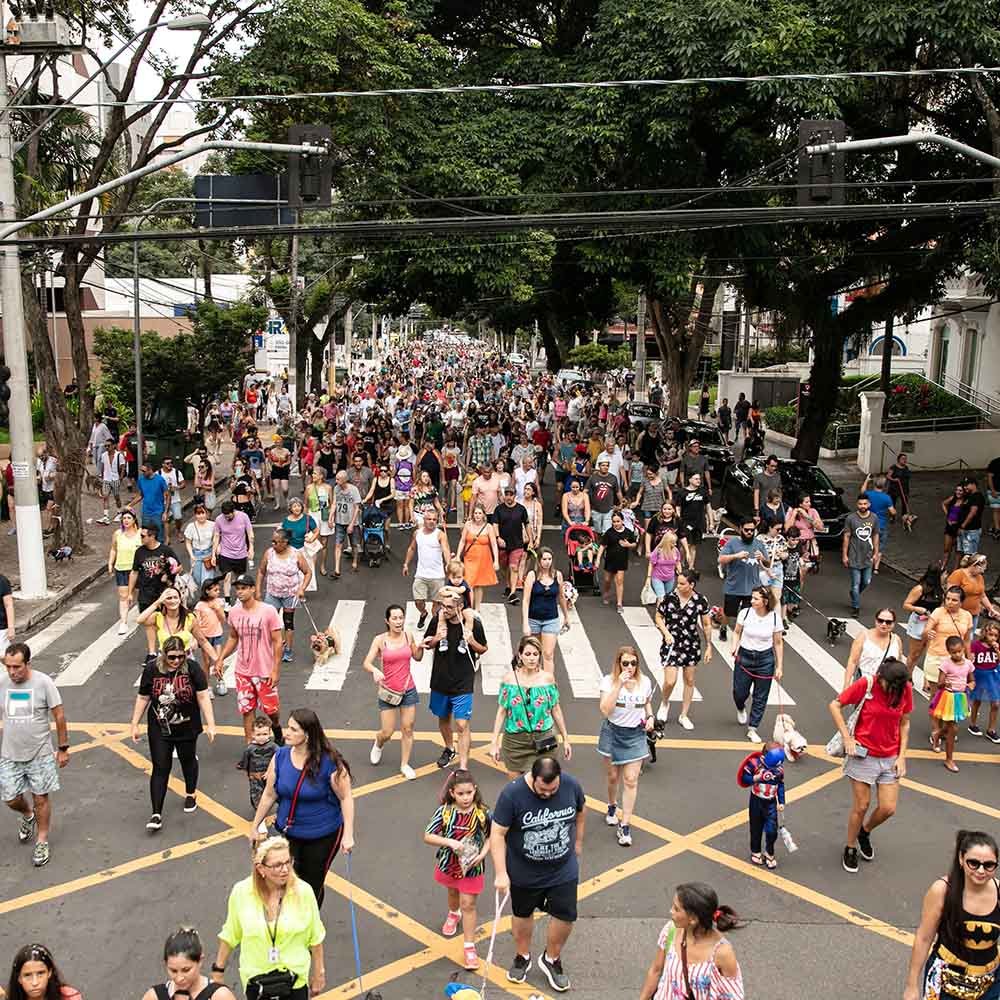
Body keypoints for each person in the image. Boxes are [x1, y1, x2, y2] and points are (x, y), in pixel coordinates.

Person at [491, 756, 586, 992]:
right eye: (543, 790)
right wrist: (501, 873)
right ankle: (522, 956)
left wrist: (578, 842)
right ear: (533, 778)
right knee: (522, 913)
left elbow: (580, 811)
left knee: (566, 915)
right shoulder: (512, 794)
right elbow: (497, 834)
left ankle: (551, 959)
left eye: (553, 789)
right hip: (525, 871)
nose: (548, 795)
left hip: (562, 869)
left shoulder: (571, 785)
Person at [248, 709, 354, 908]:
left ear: (307, 735)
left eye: (293, 729)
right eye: (287, 727)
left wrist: (348, 835)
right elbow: (270, 794)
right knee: (285, 880)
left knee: (311, 886)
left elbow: (346, 797)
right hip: (289, 833)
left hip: (323, 835)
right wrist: (255, 826)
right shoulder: (280, 756)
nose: (286, 732)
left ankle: (308, 927)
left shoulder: (330, 763)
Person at [213, 835, 327, 999]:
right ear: (261, 869)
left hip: (295, 980)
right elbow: (231, 933)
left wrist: (319, 973)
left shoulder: (304, 892)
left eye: (288, 862)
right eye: (277, 865)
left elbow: (316, 936)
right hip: (256, 980)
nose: (285, 870)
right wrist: (218, 972)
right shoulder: (241, 892)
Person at [829, 656, 912, 874]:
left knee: (888, 808)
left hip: (889, 756)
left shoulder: (904, 689)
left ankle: (864, 831)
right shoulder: (868, 683)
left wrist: (902, 755)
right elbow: (835, 705)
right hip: (863, 754)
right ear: (882, 678)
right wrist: (847, 737)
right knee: (862, 805)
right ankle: (850, 847)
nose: (893, 691)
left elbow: (905, 722)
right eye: (890, 686)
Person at [130, 635, 216, 833]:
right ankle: (156, 813)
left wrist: (211, 724)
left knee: (187, 760)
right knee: (161, 766)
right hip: (160, 726)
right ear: (163, 655)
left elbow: (202, 696)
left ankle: (190, 793)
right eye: (172, 657)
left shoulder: (192, 669)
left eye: (181, 656)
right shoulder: (152, 669)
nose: (177, 661)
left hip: (187, 724)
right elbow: (143, 697)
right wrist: (134, 723)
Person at [903, 830, 1000, 1000]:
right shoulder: (942, 890)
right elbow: (924, 938)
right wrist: (912, 986)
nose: (981, 870)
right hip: (945, 982)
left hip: (990, 983)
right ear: (961, 860)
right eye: (973, 863)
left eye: (989, 865)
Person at [0, 643, 69, 869]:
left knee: (41, 797)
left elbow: (59, 715)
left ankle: (41, 840)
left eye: (17, 667)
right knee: (11, 798)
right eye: (8, 667)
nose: (12, 672)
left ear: (28, 663)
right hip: (10, 753)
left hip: (39, 752)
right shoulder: (3, 684)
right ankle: (28, 815)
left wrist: (62, 748)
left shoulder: (43, 683)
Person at [423, 769, 493, 972]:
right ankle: (453, 914)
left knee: (468, 904)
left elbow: (492, 835)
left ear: (475, 790)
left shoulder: (482, 812)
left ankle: (469, 946)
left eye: (469, 793)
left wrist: (482, 855)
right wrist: (450, 842)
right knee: (453, 893)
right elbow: (428, 835)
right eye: (461, 794)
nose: (465, 797)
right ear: (452, 792)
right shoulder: (444, 812)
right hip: (450, 864)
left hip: (472, 866)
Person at [637, 883, 743, 1000]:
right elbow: (656, 970)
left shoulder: (722, 953)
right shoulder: (671, 930)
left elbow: (732, 996)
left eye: (676, 909)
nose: (671, 911)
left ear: (693, 919)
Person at [490, 635, 571, 779]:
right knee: (515, 788)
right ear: (520, 655)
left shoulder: (547, 679)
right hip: (515, 741)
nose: (532, 658)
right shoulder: (509, 679)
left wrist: (565, 739)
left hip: (544, 739)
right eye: (527, 654)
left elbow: (556, 709)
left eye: (535, 654)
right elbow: (502, 711)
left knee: (541, 784)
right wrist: (494, 743)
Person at [425, 588, 488, 770]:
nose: (445, 610)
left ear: (460, 607)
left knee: (461, 724)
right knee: (444, 718)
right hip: (440, 680)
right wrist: (437, 638)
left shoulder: (473, 624)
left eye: (450, 607)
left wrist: (471, 642)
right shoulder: (437, 620)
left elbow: (483, 648)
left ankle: (463, 767)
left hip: (463, 682)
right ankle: (449, 748)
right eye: (444, 606)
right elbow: (427, 644)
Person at [218, 574, 284, 745]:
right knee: (247, 709)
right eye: (237, 589)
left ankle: (276, 728)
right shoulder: (233, 612)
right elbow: (233, 637)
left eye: (244, 588)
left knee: (271, 710)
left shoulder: (268, 611)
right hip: (243, 670)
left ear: (253, 589)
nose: (239, 592)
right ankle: (251, 747)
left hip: (264, 670)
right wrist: (221, 659)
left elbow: (278, 641)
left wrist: (275, 669)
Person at [598, 645, 653, 847]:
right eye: (625, 663)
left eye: (633, 663)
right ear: (618, 664)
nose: (629, 667)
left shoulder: (645, 682)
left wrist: (650, 717)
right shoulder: (608, 681)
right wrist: (619, 685)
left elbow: (647, 702)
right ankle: (612, 804)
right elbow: (605, 709)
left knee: (631, 780)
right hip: (613, 732)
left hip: (635, 735)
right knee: (613, 777)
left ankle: (625, 824)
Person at [362, 603, 424, 779]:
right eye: (394, 618)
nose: (398, 621)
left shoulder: (408, 635)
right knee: (387, 732)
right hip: (388, 690)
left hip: (408, 689)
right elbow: (366, 662)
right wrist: (375, 670)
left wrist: (420, 648)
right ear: (387, 621)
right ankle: (379, 743)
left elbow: (417, 657)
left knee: (408, 728)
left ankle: (404, 764)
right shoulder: (380, 640)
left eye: (401, 617)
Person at [655, 569, 714, 731]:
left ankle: (684, 715)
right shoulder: (669, 598)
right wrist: (665, 633)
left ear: (691, 585)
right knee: (670, 680)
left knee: (689, 680)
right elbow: (658, 617)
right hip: (671, 643)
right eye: (678, 582)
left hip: (691, 644)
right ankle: (664, 703)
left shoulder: (700, 600)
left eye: (682, 583)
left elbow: (707, 624)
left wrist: (709, 645)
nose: (678, 586)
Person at [731, 586, 784, 744]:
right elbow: (736, 632)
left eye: (755, 599)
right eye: (752, 598)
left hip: (765, 659)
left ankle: (753, 728)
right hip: (745, 655)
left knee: (760, 697)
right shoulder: (745, 613)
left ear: (765, 601)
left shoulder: (774, 618)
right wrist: (734, 646)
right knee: (739, 692)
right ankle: (740, 707)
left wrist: (779, 666)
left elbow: (778, 643)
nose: (751, 601)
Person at [255, 528, 311, 664]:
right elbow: (261, 572)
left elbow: (307, 572)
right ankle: (274, 645)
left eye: (276, 542)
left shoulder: (296, 555)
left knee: (288, 622)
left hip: (290, 594)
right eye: (272, 541)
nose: (273, 544)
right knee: (269, 622)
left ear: (285, 542)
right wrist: (257, 590)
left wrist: (301, 589)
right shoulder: (269, 553)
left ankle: (288, 650)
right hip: (272, 593)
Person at [136, 586, 221, 669]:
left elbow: (203, 641)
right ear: (163, 601)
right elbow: (140, 620)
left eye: (175, 597)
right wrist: (157, 602)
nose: (172, 601)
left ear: (180, 600)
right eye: (169, 598)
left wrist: (217, 660)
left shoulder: (189, 618)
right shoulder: (158, 617)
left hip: (186, 662)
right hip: (164, 662)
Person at [141, 927, 235, 1000]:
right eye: (173, 971)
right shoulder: (154, 996)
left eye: (186, 970)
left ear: (200, 960)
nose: (179, 978)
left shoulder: (220, 996)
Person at [129, 525, 181, 654]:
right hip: (146, 593)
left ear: (152, 536)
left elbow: (179, 567)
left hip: (164, 593)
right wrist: (130, 593)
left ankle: (167, 650)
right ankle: (152, 653)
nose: (140, 538)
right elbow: (134, 572)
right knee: (148, 623)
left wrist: (168, 574)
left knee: (166, 623)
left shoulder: (166, 550)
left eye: (143, 536)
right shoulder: (139, 552)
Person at [717, 519, 771, 642]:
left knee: (748, 613)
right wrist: (736, 556)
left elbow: (768, 562)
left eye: (752, 530)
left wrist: (762, 558)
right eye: (747, 530)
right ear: (741, 528)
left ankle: (742, 633)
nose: (749, 532)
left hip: (752, 587)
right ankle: (723, 627)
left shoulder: (759, 544)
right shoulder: (732, 543)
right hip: (734, 585)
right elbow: (721, 559)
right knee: (728, 612)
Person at [520, 548, 572, 675]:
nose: (547, 562)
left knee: (548, 654)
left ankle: (548, 685)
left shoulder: (557, 575)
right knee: (534, 653)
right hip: (534, 619)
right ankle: (533, 680)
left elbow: (561, 597)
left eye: (549, 559)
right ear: (539, 560)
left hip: (551, 619)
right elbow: (526, 600)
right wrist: (525, 623)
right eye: (544, 559)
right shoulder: (532, 576)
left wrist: (566, 616)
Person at [930, 635, 975, 772]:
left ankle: (937, 734)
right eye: (953, 652)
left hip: (960, 697)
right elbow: (939, 683)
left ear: (963, 649)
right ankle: (949, 759)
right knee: (953, 728)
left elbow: (971, 679)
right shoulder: (946, 664)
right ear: (948, 652)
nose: (957, 654)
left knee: (951, 727)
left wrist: (971, 684)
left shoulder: (968, 664)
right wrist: (945, 683)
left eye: (960, 651)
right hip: (948, 697)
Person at [402, 507, 452, 628]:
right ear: (424, 520)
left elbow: (445, 549)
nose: (431, 521)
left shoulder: (440, 534)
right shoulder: (417, 533)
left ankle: (434, 627)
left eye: (434, 519)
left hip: (437, 576)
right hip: (421, 574)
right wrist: (406, 564)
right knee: (418, 601)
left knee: (436, 607)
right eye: (429, 519)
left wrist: (449, 564)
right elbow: (412, 548)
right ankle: (423, 613)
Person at [739, 742, 785, 870]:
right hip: (756, 800)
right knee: (756, 827)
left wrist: (781, 801)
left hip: (770, 802)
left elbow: (780, 785)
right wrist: (755, 778)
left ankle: (769, 852)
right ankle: (756, 851)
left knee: (772, 831)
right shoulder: (754, 764)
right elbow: (744, 778)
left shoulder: (779, 769)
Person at [924, 586, 974, 699]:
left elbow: (966, 639)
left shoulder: (967, 616)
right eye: (947, 598)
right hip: (937, 659)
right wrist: (928, 633)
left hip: (957, 661)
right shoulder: (938, 612)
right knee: (937, 698)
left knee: (954, 698)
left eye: (954, 600)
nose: (950, 602)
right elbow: (926, 630)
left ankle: (950, 717)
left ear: (961, 602)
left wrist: (969, 655)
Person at [843, 608, 904, 689]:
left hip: (886, 687)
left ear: (893, 624)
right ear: (875, 621)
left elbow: (898, 665)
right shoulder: (863, 636)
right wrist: (846, 686)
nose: (884, 624)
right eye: (880, 620)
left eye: (888, 622)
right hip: (864, 683)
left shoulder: (897, 640)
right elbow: (852, 662)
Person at [903, 564, 944, 675]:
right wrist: (917, 608)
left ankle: (926, 680)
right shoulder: (920, 588)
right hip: (919, 621)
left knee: (930, 653)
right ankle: (907, 675)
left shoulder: (940, 590)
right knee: (915, 653)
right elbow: (906, 604)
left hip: (933, 621)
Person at [457, 503, 499, 609]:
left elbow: (494, 544)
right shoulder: (468, 525)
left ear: (484, 515)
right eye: (475, 513)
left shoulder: (488, 527)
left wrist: (496, 561)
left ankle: (477, 608)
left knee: (479, 584)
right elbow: (462, 541)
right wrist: (458, 556)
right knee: (468, 582)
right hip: (469, 558)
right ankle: (469, 606)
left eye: (480, 513)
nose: (477, 515)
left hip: (483, 558)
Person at [3, 944, 83, 1000]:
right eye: (27, 975)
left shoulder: (69, 997)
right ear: (19, 978)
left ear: (49, 973)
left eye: (40, 973)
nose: (35, 982)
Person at [843, 493, 879, 616]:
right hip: (854, 556)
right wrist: (845, 555)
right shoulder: (851, 518)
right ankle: (855, 607)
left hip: (867, 556)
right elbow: (847, 537)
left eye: (865, 503)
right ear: (857, 504)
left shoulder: (874, 518)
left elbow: (875, 535)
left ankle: (855, 594)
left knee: (867, 581)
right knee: (856, 583)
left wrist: (876, 552)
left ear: (869, 504)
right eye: (860, 503)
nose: (862, 506)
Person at [107, 509, 141, 636]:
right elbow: (113, 549)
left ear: (134, 520)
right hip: (121, 568)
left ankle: (141, 611)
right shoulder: (117, 534)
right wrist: (110, 563)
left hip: (136, 570)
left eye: (128, 518)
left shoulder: (140, 534)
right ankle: (123, 622)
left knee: (137, 593)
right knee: (123, 596)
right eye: (124, 518)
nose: (126, 520)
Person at [212, 501, 254, 606]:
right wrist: (213, 553)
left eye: (229, 516)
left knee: (239, 578)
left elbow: (250, 533)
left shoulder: (243, 517)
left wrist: (251, 548)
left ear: (233, 511)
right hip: (225, 553)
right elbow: (216, 536)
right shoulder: (219, 520)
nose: (227, 518)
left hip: (241, 553)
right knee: (227, 576)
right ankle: (227, 600)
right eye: (225, 516)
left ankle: (239, 599)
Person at [597, 509, 637, 614]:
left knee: (619, 581)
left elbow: (634, 544)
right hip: (610, 560)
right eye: (614, 522)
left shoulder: (628, 532)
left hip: (621, 561)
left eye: (618, 521)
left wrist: (628, 545)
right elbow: (602, 546)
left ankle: (619, 603)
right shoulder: (609, 533)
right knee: (607, 580)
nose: (616, 524)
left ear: (622, 521)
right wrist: (597, 559)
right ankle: (606, 592)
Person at [238, 715, 279, 818]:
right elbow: (245, 762)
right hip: (255, 778)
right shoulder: (250, 749)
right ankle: (260, 816)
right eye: (259, 734)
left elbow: (280, 758)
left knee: (275, 794)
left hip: (270, 776)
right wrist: (248, 774)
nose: (262, 737)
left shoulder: (274, 747)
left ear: (270, 733)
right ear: (253, 734)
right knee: (257, 796)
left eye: (265, 734)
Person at [495, 487, 529, 604]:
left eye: (511, 494)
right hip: (503, 543)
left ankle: (512, 592)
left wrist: (530, 538)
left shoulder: (521, 509)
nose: (509, 497)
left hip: (517, 543)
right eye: (507, 494)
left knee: (514, 567)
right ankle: (508, 585)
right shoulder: (499, 509)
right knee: (504, 567)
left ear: (515, 495)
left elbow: (527, 524)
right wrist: (498, 537)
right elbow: (495, 524)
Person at [968, 621, 1000, 743]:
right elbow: (971, 661)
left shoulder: (997, 647)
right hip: (979, 675)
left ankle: (991, 730)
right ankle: (973, 723)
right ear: (985, 633)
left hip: (993, 675)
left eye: (996, 636)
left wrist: (997, 650)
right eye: (990, 634)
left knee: (995, 703)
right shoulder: (976, 645)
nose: (993, 638)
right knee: (977, 700)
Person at [949, 554, 997, 634]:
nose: (983, 571)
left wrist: (990, 609)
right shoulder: (958, 574)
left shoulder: (980, 577)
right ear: (975, 566)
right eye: (982, 569)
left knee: (969, 638)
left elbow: (982, 595)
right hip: (959, 614)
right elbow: (950, 594)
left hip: (974, 614)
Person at [331, 469, 362, 577]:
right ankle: (337, 569)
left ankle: (354, 561)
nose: (336, 481)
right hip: (340, 521)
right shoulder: (336, 488)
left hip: (351, 521)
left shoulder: (353, 490)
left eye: (338, 479)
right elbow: (334, 503)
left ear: (344, 480)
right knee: (338, 544)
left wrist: (351, 524)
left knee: (354, 544)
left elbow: (357, 508)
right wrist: (331, 517)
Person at [861, 474, 896, 564]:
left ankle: (866, 561)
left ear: (874, 484)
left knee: (867, 543)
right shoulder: (886, 498)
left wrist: (866, 480)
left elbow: (862, 492)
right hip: (881, 525)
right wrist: (893, 514)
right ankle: (875, 566)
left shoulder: (868, 494)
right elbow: (893, 512)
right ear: (884, 485)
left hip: (868, 523)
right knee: (879, 546)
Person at [306, 468, 334, 576]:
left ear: (321, 476)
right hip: (313, 515)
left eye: (315, 473)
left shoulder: (328, 488)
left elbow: (331, 504)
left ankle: (322, 565)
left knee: (324, 543)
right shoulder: (309, 488)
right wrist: (306, 520)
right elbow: (306, 505)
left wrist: (331, 518)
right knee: (313, 542)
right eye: (312, 473)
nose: (312, 475)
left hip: (324, 515)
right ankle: (312, 565)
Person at [586, 457, 621, 537]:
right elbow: (585, 491)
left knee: (607, 531)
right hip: (596, 509)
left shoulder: (613, 478)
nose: (605, 467)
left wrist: (621, 503)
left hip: (609, 509)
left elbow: (618, 492)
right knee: (598, 531)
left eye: (607, 465)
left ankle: (604, 548)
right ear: (599, 466)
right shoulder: (593, 477)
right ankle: (598, 546)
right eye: (603, 465)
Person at [183, 504, 216, 589]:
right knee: (197, 579)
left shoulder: (213, 525)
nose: (201, 516)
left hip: (208, 555)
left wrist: (214, 554)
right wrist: (191, 555)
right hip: (196, 555)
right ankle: (205, 597)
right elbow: (188, 542)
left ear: (207, 513)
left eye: (203, 513)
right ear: (195, 515)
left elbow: (216, 540)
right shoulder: (191, 527)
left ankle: (207, 599)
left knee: (207, 581)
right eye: (198, 514)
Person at [645, 528, 682, 601]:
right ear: (667, 542)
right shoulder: (658, 551)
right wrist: (648, 577)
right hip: (657, 578)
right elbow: (651, 564)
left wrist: (680, 573)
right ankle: (659, 611)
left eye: (675, 542)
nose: (675, 544)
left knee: (667, 598)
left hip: (670, 578)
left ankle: (662, 611)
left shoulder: (676, 551)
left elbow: (677, 563)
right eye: (673, 542)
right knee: (661, 597)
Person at [137, 462, 170, 542]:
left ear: (150, 470)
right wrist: (130, 505)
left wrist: (165, 512)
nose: (142, 473)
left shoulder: (160, 480)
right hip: (146, 512)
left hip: (158, 512)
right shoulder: (141, 480)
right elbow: (141, 495)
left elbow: (168, 496)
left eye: (144, 471)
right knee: (145, 533)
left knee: (159, 534)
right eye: (142, 471)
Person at [96, 439, 125, 525]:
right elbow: (103, 466)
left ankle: (119, 512)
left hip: (116, 479)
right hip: (106, 479)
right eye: (106, 446)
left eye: (108, 445)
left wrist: (121, 478)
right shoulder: (104, 455)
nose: (107, 447)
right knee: (105, 496)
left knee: (116, 497)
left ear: (113, 446)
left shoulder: (119, 455)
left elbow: (123, 467)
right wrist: (102, 476)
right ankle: (106, 516)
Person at [160, 457, 186, 545]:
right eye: (167, 463)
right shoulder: (159, 473)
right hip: (163, 500)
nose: (169, 465)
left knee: (178, 517)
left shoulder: (176, 472)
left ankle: (179, 531)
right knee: (166, 519)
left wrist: (177, 487)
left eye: (171, 463)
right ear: (163, 464)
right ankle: (167, 537)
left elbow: (183, 484)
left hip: (175, 499)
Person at [959, 474, 986, 557]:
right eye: (964, 485)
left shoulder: (977, 496)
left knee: (970, 555)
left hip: (972, 530)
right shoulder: (970, 496)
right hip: (966, 529)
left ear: (974, 484)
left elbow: (972, 513)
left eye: (967, 485)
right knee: (965, 554)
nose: (965, 487)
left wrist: (963, 526)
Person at [751, 455, 781, 520]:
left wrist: (779, 504)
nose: (774, 468)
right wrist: (756, 509)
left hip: (774, 508)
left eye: (775, 466)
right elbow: (756, 493)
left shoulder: (778, 477)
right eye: (772, 466)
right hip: (763, 508)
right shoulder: (759, 477)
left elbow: (779, 491)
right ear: (767, 465)